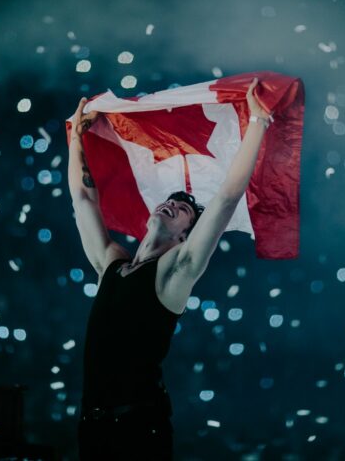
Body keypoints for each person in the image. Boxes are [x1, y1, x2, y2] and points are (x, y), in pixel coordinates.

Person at [67, 78, 273, 460]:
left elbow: (226, 200)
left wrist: (258, 123)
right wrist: (77, 139)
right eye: (169, 202)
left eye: (183, 211)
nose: (171, 205)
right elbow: (82, 199)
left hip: (137, 431)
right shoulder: (111, 263)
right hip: (91, 428)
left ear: (184, 237)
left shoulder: (173, 273)